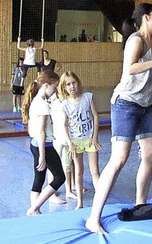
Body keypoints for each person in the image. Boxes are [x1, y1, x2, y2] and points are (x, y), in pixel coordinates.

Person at [86, 3, 152, 233]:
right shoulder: (136, 40)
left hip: (144, 104)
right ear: (146, 18)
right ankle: (93, 217)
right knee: (119, 159)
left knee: (151, 154)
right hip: (126, 103)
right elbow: (130, 68)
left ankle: (140, 204)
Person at [21, 71, 66, 215]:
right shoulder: (42, 104)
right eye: (54, 87)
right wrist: (42, 155)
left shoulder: (36, 100)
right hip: (44, 146)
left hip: (35, 144)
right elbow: (41, 132)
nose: (55, 91)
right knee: (60, 177)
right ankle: (34, 208)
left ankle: (36, 209)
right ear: (46, 85)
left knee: (39, 179)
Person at [56, 71, 101, 210]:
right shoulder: (65, 104)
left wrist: (94, 138)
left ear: (78, 83)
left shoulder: (87, 97)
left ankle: (100, 199)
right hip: (76, 142)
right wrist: (70, 143)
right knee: (79, 171)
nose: (72, 86)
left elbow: (95, 116)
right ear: (64, 88)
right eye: (68, 84)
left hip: (89, 139)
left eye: (73, 83)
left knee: (94, 170)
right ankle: (80, 203)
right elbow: (64, 124)